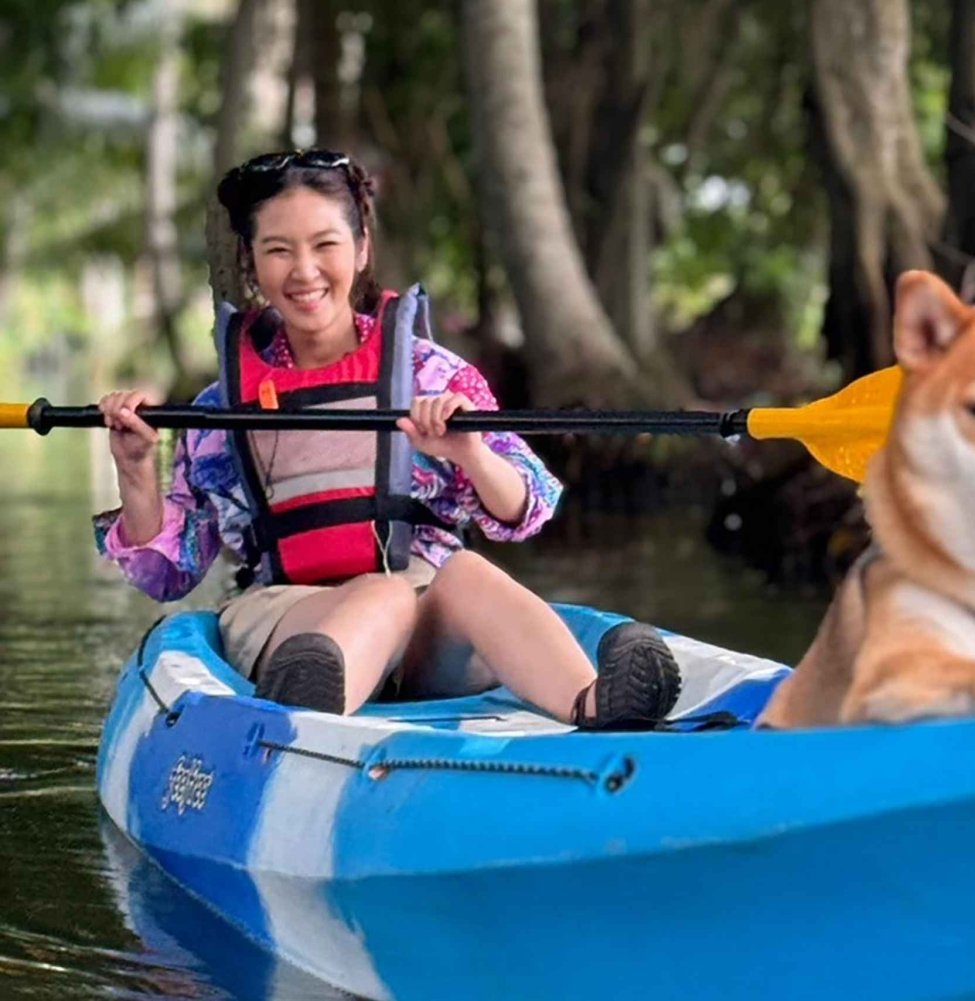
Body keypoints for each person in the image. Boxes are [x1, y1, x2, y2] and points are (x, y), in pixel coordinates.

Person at [93, 148, 681, 727]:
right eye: (279, 251)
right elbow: (167, 574)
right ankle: (310, 711)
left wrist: (469, 452)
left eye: (326, 245)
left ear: (362, 247)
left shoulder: (431, 375)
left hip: (424, 617)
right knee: (384, 596)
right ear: (251, 262)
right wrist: (137, 468)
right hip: (289, 617)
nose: (304, 272)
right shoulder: (221, 410)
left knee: (462, 574)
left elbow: (525, 509)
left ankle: (596, 702)